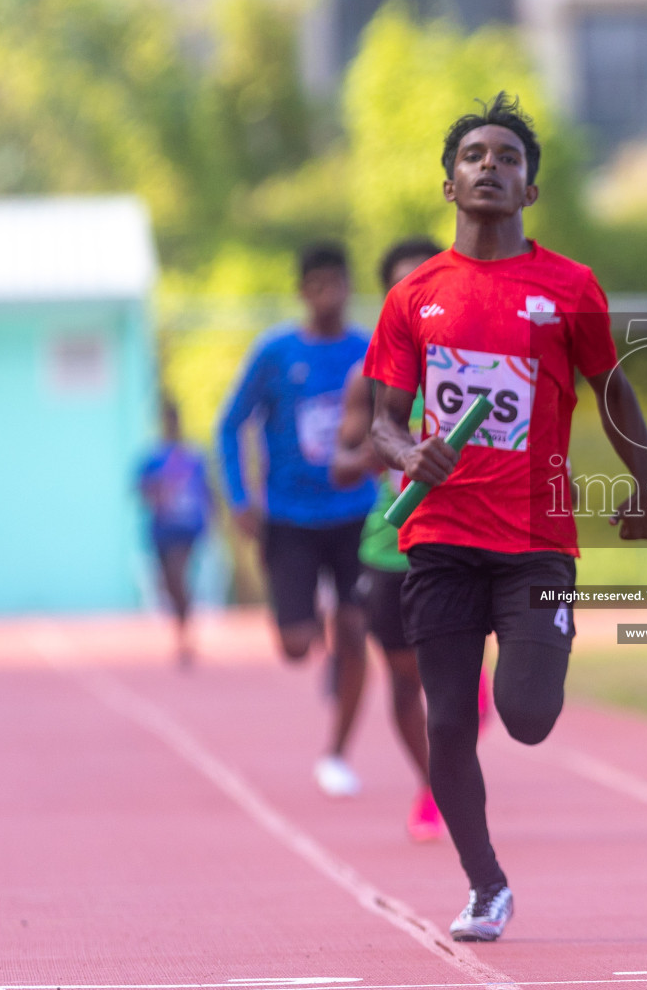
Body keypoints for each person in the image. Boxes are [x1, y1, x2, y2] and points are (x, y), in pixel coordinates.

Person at [365, 93, 647, 942]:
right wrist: (405, 452)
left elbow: (613, 391)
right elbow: (384, 417)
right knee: (450, 723)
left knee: (527, 715)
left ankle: (531, 664)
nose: (490, 166)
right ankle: (485, 884)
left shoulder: (568, 287)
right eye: (474, 156)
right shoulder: (413, 296)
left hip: (537, 542)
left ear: (529, 187)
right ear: (450, 182)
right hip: (442, 540)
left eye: (508, 157)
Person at [217, 242, 379, 798]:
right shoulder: (276, 354)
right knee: (295, 645)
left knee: (357, 629)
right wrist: (241, 497)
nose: (329, 294)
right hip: (288, 516)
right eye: (318, 284)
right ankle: (317, 630)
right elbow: (228, 425)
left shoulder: (370, 350)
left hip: (356, 513)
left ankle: (337, 753)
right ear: (303, 291)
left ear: (349, 286)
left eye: (339, 282)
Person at [331, 235, 475, 841]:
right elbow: (342, 461)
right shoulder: (369, 373)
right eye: (402, 285)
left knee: (454, 669)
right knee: (403, 678)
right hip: (392, 542)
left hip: (467, 534)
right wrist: (394, 445)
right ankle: (432, 784)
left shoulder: (476, 357)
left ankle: (466, 707)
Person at [137, 398, 211, 668]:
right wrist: (157, 492)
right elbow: (140, 491)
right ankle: (182, 626)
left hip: (188, 528)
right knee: (168, 584)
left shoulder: (193, 457)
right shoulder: (153, 459)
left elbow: (207, 492)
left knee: (178, 578)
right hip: (162, 530)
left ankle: (185, 638)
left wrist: (209, 525)